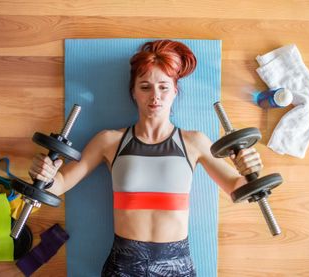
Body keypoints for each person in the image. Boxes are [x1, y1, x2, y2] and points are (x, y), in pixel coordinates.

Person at [28, 40, 263, 276]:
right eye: (145, 87)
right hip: (123, 265)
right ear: (133, 92)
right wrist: (45, 175)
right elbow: (59, 184)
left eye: (163, 87)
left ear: (174, 91)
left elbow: (238, 189)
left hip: (176, 265)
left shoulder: (194, 142)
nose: (155, 97)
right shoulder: (109, 141)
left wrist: (249, 169)